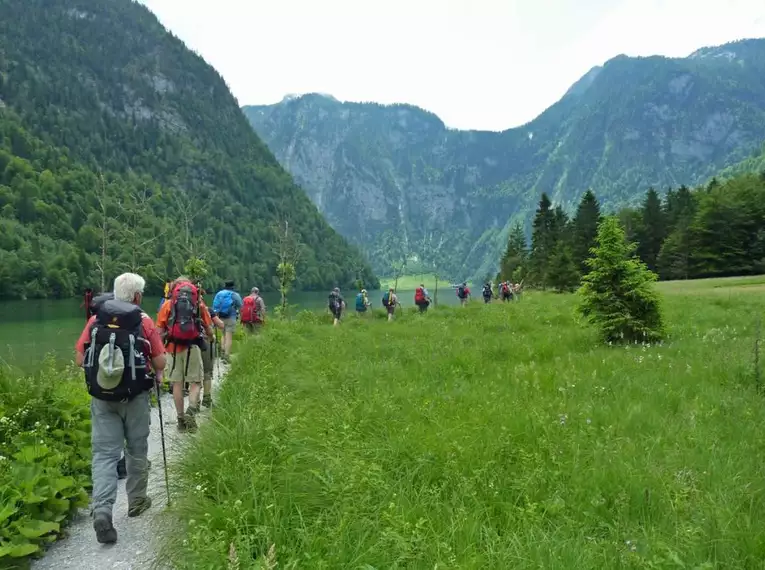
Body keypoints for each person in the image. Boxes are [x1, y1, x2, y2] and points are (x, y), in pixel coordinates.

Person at [75, 272, 166, 545]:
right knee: (136, 447)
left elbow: (80, 358)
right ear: (137, 296)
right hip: (136, 398)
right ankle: (137, 502)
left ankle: (102, 509)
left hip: (102, 399)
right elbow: (160, 362)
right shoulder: (144, 320)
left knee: (104, 454)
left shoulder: (95, 320)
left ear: (115, 293)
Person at [156, 276, 215, 431]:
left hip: (172, 349)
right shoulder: (198, 304)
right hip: (192, 347)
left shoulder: (167, 305)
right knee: (196, 381)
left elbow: (159, 331)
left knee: (177, 384)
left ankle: (181, 419)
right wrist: (211, 337)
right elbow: (208, 327)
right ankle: (191, 410)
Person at [198, 285, 224, 409]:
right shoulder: (207, 309)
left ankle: (194, 403)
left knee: (194, 374)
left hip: (187, 343)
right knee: (207, 371)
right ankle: (207, 399)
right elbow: (221, 325)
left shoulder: (178, 309)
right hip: (205, 341)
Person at [212, 280, 243, 361]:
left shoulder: (219, 294)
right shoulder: (234, 295)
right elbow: (240, 306)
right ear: (233, 286)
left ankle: (222, 352)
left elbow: (214, 306)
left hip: (220, 317)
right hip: (231, 317)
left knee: (223, 334)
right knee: (229, 336)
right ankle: (226, 356)